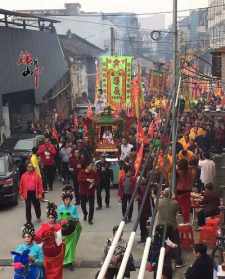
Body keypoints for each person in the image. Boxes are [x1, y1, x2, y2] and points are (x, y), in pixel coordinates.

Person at [35, 202, 64, 279]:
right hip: (46, 252)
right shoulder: (43, 226)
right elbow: (38, 238)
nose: (51, 219)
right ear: (48, 217)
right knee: (48, 270)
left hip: (56, 252)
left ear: (55, 218)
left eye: (52, 217)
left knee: (56, 270)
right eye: (50, 217)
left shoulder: (58, 227)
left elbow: (59, 242)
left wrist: (55, 234)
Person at [158, 188, 184, 268]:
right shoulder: (175, 203)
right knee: (176, 243)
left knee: (163, 242)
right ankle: (178, 261)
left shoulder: (159, 202)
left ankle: (161, 259)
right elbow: (177, 211)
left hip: (161, 226)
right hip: (172, 226)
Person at [57, 186, 81, 271]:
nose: (67, 201)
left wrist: (71, 218)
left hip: (71, 231)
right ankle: (62, 262)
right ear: (63, 200)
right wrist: (61, 221)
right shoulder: (59, 208)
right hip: (62, 231)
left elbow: (77, 218)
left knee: (71, 247)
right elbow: (57, 219)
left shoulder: (73, 208)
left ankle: (70, 263)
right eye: (66, 199)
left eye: (69, 199)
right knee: (61, 247)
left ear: (71, 200)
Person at [176, 159, 193, 224]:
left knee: (177, 209)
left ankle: (184, 224)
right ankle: (186, 223)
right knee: (186, 211)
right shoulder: (190, 171)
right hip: (187, 191)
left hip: (180, 191)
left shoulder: (178, 172)